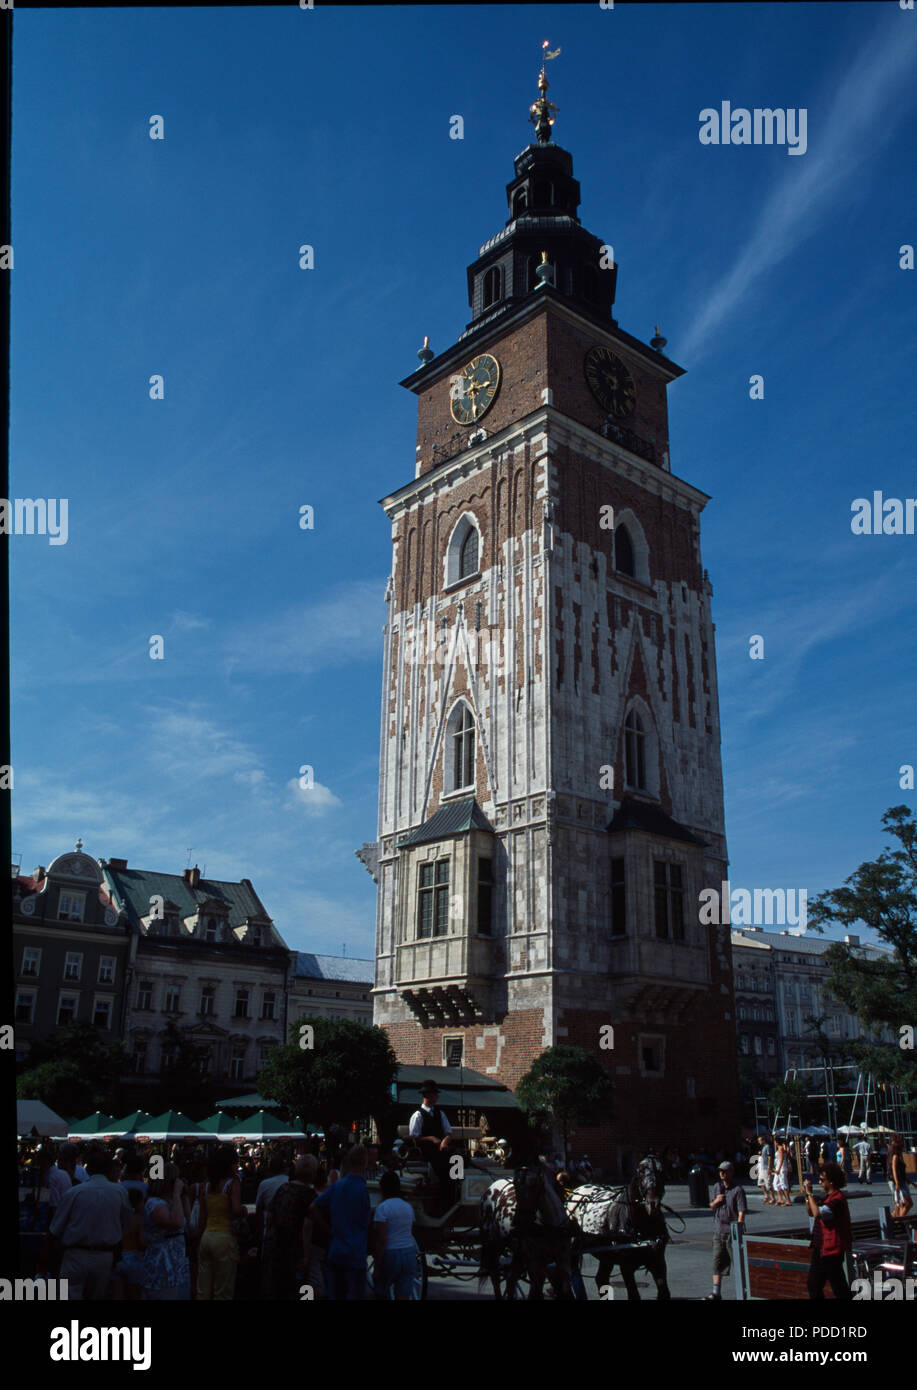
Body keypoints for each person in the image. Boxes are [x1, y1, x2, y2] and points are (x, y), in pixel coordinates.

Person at [48, 1147, 132, 1300]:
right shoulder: (119, 1192)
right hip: (104, 1255)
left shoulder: (75, 1192)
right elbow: (125, 1222)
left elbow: (56, 1227)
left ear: (89, 1168)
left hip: (75, 1254)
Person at [310, 1144, 371, 1301]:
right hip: (356, 1254)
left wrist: (328, 1229)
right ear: (365, 1162)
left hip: (336, 1251)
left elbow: (314, 1206)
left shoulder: (338, 1186)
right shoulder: (362, 1189)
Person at [262, 1156, 317, 1300]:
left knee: (276, 1288)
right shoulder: (310, 1195)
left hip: (275, 1245)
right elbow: (307, 1226)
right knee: (300, 1290)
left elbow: (269, 1216)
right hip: (294, 1248)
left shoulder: (283, 1188)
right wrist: (306, 1256)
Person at [197, 1147, 243, 1301]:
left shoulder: (206, 1186)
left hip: (206, 1237)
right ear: (229, 1165)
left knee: (203, 1289)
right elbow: (236, 1210)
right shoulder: (232, 1184)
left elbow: (202, 1218)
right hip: (225, 1238)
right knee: (222, 1290)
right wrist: (244, 1210)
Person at [142, 1163, 190, 1301]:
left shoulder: (171, 1202)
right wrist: (176, 1193)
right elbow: (176, 1222)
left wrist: (183, 1196)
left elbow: (188, 1221)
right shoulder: (154, 1203)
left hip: (177, 1265)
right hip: (162, 1267)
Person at [804, 1162, 852, 1300]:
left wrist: (810, 1193)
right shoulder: (827, 1199)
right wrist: (808, 1197)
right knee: (814, 1285)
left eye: (822, 1180)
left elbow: (817, 1214)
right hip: (821, 1247)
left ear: (831, 1181)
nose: (819, 1182)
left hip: (832, 1249)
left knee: (838, 1287)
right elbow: (810, 1212)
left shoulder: (837, 1200)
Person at [408, 1080, 455, 1211]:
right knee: (441, 1163)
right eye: (435, 1094)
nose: (437, 1097)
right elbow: (414, 1138)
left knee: (458, 1158)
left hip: (442, 1149)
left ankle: (455, 1187)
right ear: (428, 1095)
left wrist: (445, 1141)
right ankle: (442, 1191)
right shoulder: (417, 1115)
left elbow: (449, 1132)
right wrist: (431, 1139)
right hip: (427, 1151)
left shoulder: (440, 1113)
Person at [372, 1170, 419, 1300]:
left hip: (391, 1253)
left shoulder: (382, 1208)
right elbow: (410, 1231)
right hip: (408, 1253)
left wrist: (377, 1266)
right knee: (403, 1295)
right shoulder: (407, 1207)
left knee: (381, 1291)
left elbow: (381, 1239)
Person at [706, 1160, 747, 1300]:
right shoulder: (717, 1187)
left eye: (725, 1171)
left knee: (738, 1263)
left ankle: (743, 1292)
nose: (722, 1174)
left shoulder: (738, 1190)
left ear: (731, 1172)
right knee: (717, 1262)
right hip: (719, 1230)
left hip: (732, 1232)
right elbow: (711, 1206)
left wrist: (739, 1230)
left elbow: (741, 1212)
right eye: (720, 1171)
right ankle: (716, 1292)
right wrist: (716, 1201)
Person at [111, 1188, 145, 1300]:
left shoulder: (116, 1217)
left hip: (117, 1256)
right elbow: (141, 1241)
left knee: (118, 1295)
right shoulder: (139, 1219)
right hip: (134, 1257)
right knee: (134, 1295)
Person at [888, 1135, 913, 1219]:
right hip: (898, 1182)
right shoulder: (895, 1156)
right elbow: (894, 1169)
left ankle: (896, 1220)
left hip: (901, 1181)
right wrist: (897, 1182)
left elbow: (901, 1171)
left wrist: (909, 1181)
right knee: (907, 1203)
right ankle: (900, 1220)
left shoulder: (898, 1156)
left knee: (900, 1204)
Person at [773, 1135, 791, 1206]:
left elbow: (781, 1159)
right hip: (778, 1167)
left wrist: (778, 1169)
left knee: (783, 1183)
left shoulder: (780, 1149)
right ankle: (780, 1199)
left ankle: (788, 1200)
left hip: (782, 1168)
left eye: (775, 1141)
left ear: (777, 1142)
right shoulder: (779, 1149)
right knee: (775, 1183)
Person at [757, 1136, 775, 1204]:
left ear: (764, 1140)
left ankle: (773, 1198)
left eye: (760, 1140)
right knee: (760, 1183)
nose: (759, 1142)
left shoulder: (767, 1147)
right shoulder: (762, 1148)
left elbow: (769, 1157)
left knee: (768, 1184)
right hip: (761, 1168)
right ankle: (766, 1196)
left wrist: (769, 1168)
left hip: (766, 1167)